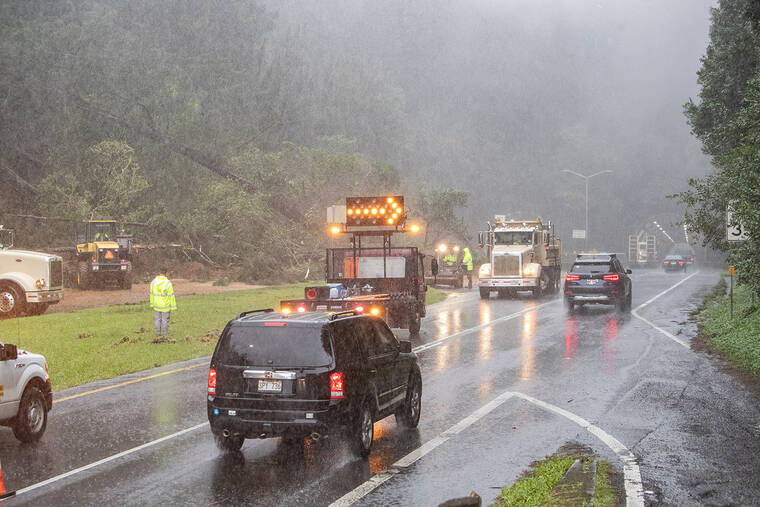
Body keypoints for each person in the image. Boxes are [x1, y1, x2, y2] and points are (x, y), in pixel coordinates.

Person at [150, 267, 177, 336]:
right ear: (166, 273)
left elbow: (151, 294)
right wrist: (173, 306)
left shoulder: (153, 282)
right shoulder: (168, 283)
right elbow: (171, 295)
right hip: (165, 306)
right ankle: (165, 334)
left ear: (159, 273)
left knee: (157, 320)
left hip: (156, 305)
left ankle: (157, 334)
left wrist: (152, 304)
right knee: (165, 320)